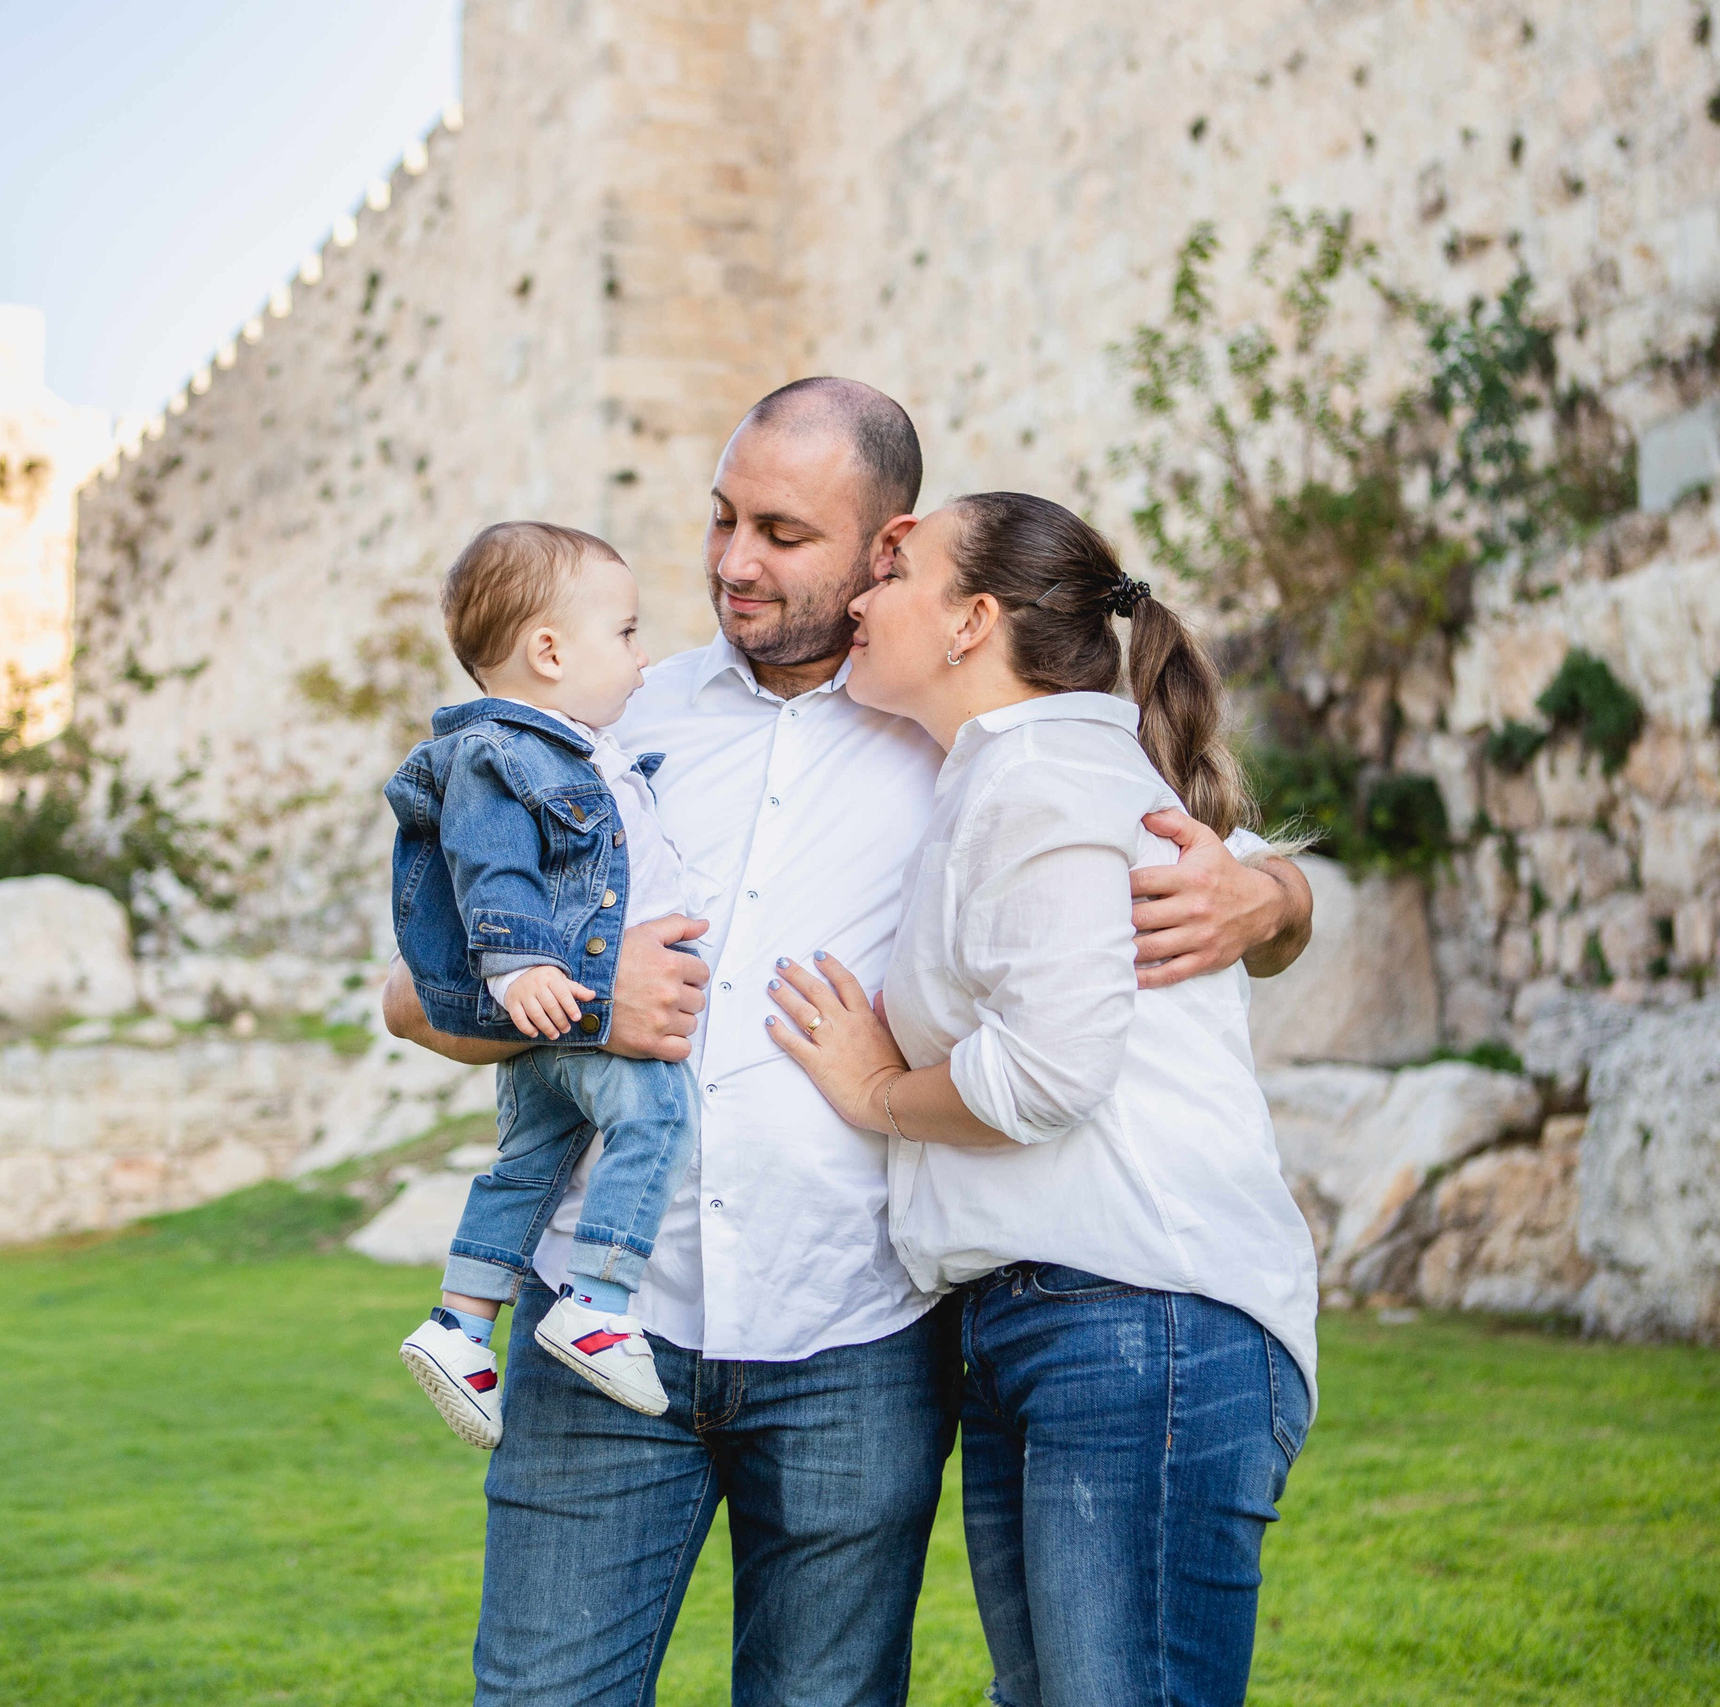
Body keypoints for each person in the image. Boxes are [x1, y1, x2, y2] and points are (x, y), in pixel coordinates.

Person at [382, 379, 1316, 1705]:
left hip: (856, 1349)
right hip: (604, 1320)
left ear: (888, 546)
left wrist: (1273, 893)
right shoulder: (605, 715)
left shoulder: (962, 726)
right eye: (720, 518)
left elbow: (1194, 853)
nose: (732, 561)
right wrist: (585, 996)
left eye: (782, 531)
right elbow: (410, 989)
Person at [763, 491, 1319, 1707]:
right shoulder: (1021, 769)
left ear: (970, 621)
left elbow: (1051, 1069)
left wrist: (878, 1091)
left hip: (1133, 1318)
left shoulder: (1046, 775)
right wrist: (1279, 892)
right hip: (1055, 1324)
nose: (859, 597)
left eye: (893, 573)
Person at [388, 521, 706, 1447]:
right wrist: (521, 964)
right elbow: (491, 867)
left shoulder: (582, 749)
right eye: (628, 634)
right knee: (658, 1117)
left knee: (529, 1166)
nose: (644, 663)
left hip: (550, 1022)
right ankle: (599, 1299)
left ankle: (458, 1326)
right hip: (568, 1007)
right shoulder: (506, 752)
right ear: (551, 651)